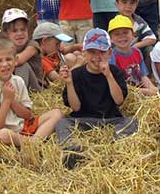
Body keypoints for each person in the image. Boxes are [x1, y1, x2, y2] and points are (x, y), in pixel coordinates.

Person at [56, 28, 138, 169]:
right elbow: (75, 107)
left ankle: (114, 148)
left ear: (110, 53)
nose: (97, 57)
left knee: (132, 122)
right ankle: (73, 150)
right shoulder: (76, 74)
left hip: (110, 119)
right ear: (84, 53)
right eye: (92, 52)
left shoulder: (114, 71)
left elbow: (119, 101)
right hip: (83, 120)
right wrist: (69, 83)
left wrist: (108, 76)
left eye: (102, 52)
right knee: (62, 123)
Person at [0, 38, 63, 146]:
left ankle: (33, 141)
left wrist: (12, 101)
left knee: (57, 113)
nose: (4, 64)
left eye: (8, 59)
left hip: (21, 127)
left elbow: (27, 115)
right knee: (3, 135)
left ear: (15, 60)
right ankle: (33, 142)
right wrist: (6, 101)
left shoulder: (18, 81)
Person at [107, 15, 157, 96]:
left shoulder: (137, 52)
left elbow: (143, 76)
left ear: (133, 35)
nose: (122, 37)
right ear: (111, 39)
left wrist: (151, 87)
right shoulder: (112, 57)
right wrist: (144, 91)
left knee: (156, 91)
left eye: (125, 32)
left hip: (139, 90)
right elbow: (117, 83)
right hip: (125, 92)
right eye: (117, 34)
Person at [1, 8, 43, 91]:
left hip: (35, 87)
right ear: (6, 34)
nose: (20, 33)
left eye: (23, 29)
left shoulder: (33, 45)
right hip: (11, 84)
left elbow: (19, 60)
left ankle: (19, 96)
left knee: (22, 65)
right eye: (15, 31)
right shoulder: (5, 48)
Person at [113, 0, 156, 68]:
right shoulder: (115, 22)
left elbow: (152, 38)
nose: (128, 6)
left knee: (150, 50)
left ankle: (146, 75)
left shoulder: (138, 21)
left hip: (135, 53)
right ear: (117, 4)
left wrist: (134, 47)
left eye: (132, 3)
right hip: (119, 54)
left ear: (136, 5)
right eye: (124, 2)